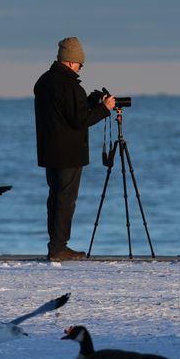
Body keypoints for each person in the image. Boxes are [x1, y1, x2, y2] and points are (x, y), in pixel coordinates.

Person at [34, 37, 115, 261]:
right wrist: (105, 109)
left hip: (49, 150)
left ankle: (55, 245)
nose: (81, 68)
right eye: (80, 64)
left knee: (55, 198)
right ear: (70, 61)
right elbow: (79, 121)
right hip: (69, 152)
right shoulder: (71, 86)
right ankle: (59, 248)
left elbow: (64, 112)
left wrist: (88, 102)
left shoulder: (43, 81)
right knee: (67, 200)